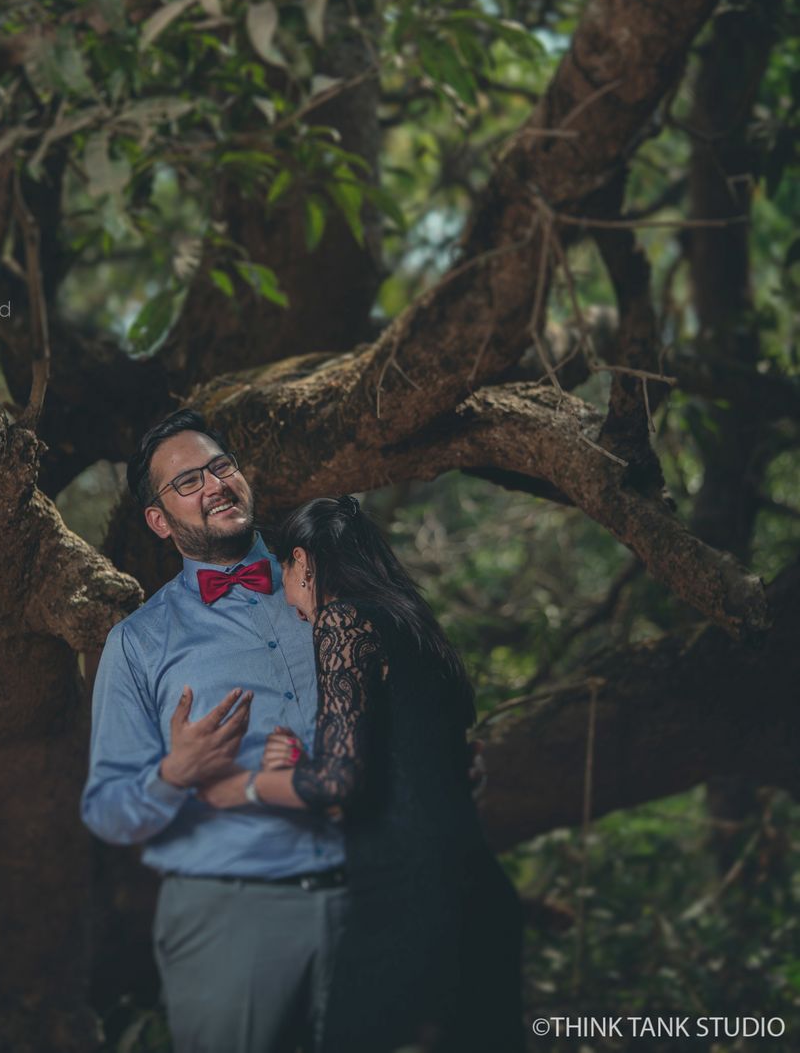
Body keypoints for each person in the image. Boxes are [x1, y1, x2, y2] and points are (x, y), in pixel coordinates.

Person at [199, 494, 526, 1053]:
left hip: (406, 897)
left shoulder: (342, 618)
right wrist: (300, 770)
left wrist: (243, 786)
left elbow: (340, 786)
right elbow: (393, 777)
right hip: (473, 888)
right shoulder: (413, 627)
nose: (289, 597)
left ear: (302, 561)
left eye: (284, 570)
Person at [81, 410, 349, 1053]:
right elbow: (107, 809)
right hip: (229, 921)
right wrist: (176, 772)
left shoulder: (335, 586)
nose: (215, 485)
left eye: (222, 467)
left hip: (370, 895)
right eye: (188, 482)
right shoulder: (138, 644)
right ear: (158, 519)